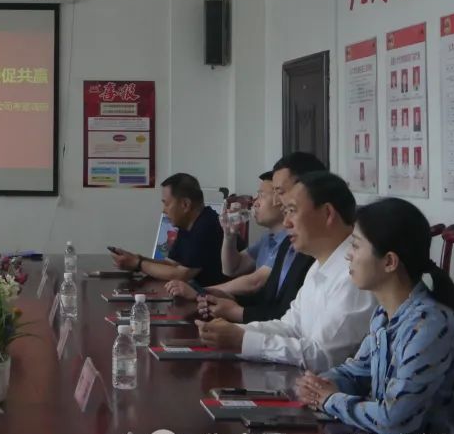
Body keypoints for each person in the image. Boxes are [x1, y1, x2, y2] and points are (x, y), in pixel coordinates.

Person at [293, 198, 454, 434]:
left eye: (356, 246)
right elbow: (358, 372)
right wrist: (320, 384)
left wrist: (329, 399)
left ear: (389, 262)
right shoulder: (384, 315)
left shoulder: (429, 325)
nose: (348, 255)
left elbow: (394, 420)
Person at [196, 171, 377, 372]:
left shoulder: (355, 272)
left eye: (292, 211)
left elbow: (322, 357)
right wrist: (234, 331)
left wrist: (243, 340)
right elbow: (291, 327)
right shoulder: (319, 265)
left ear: (327, 214)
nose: (286, 222)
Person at [197, 152, 323, 323]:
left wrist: (205, 293)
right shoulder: (282, 243)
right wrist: (229, 235)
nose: (278, 202)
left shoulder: (308, 249)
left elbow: (256, 284)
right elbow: (232, 270)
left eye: (279, 192)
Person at [109, 173, 226, 285]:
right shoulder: (187, 225)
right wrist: (136, 259)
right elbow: (171, 265)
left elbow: (182, 274)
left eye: (166, 204)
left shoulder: (207, 225)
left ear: (185, 204)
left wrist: (138, 264)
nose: (164, 210)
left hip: (219, 296)